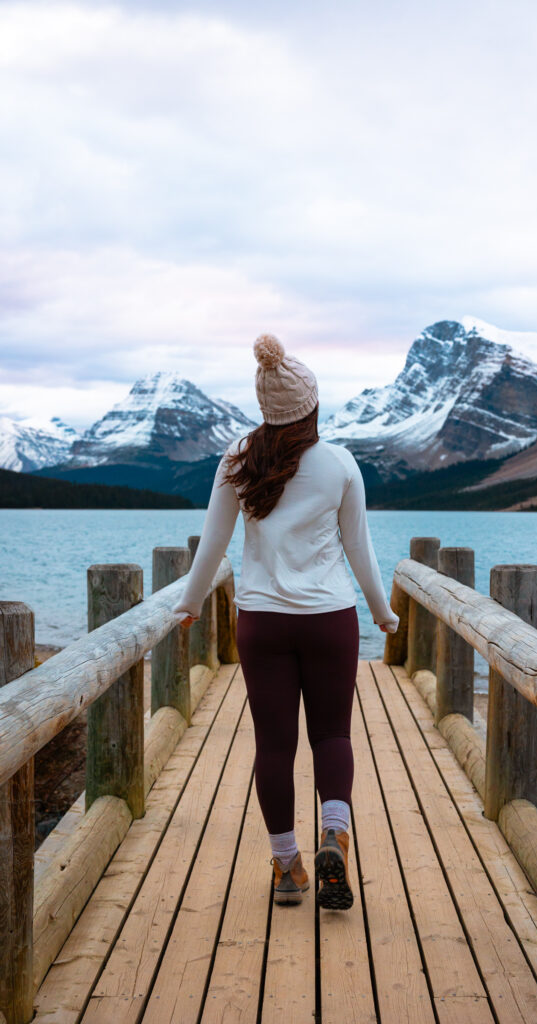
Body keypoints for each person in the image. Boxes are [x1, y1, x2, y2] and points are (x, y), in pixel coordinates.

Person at [171, 333, 400, 911]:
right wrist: (381, 611)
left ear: (264, 408)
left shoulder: (237, 462)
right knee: (333, 735)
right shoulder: (341, 464)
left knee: (274, 745)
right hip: (330, 620)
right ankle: (335, 835)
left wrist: (190, 604)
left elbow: (213, 547)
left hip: (263, 624)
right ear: (311, 407)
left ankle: (288, 868)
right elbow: (360, 552)